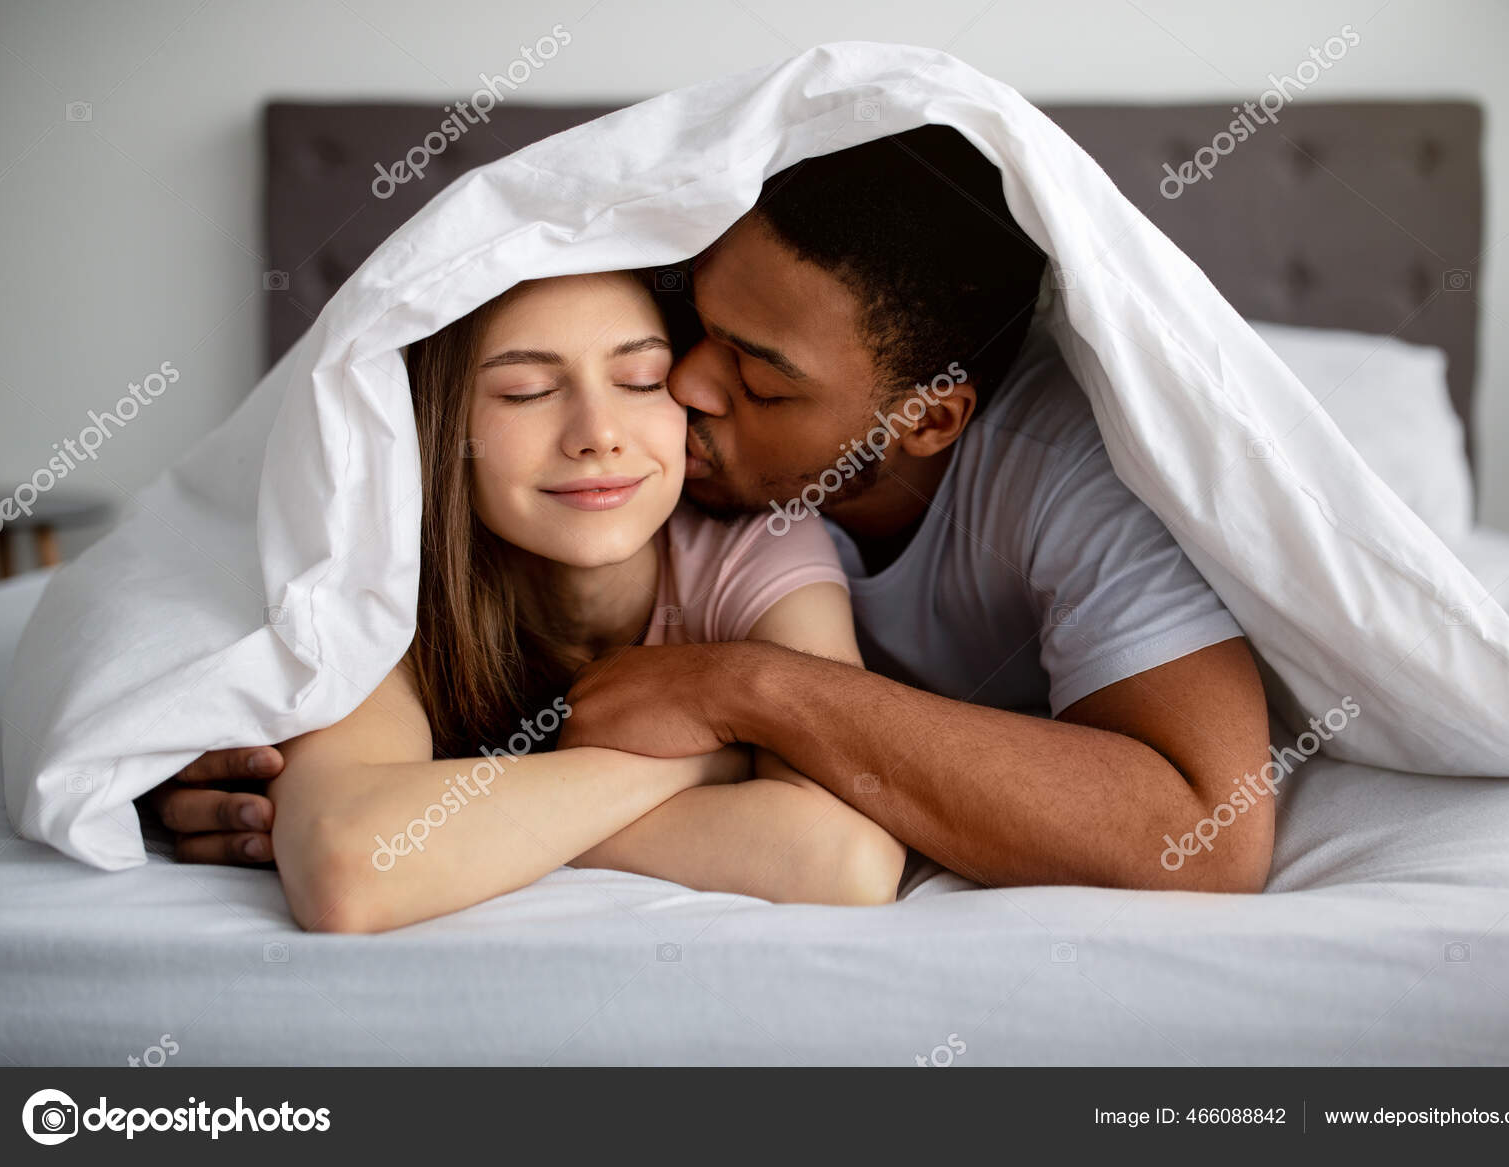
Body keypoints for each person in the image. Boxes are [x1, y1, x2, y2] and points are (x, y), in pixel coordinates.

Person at [151, 125, 1273, 895]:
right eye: (690, 336)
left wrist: (746, 694)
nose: (680, 393)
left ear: (926, 421)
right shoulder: (588, 475)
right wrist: (193, 736)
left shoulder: (1062, 480)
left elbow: (1207, 838)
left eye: (759, 378)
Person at [255, 268, 905, 932]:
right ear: (440, 424)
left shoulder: (755, 541)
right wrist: (706, 761)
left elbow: (849, 860)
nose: (598, 433)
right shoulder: (384, 572)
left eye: (642, 381)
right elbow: (349, 868)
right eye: (526, 392)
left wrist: (485, 829)